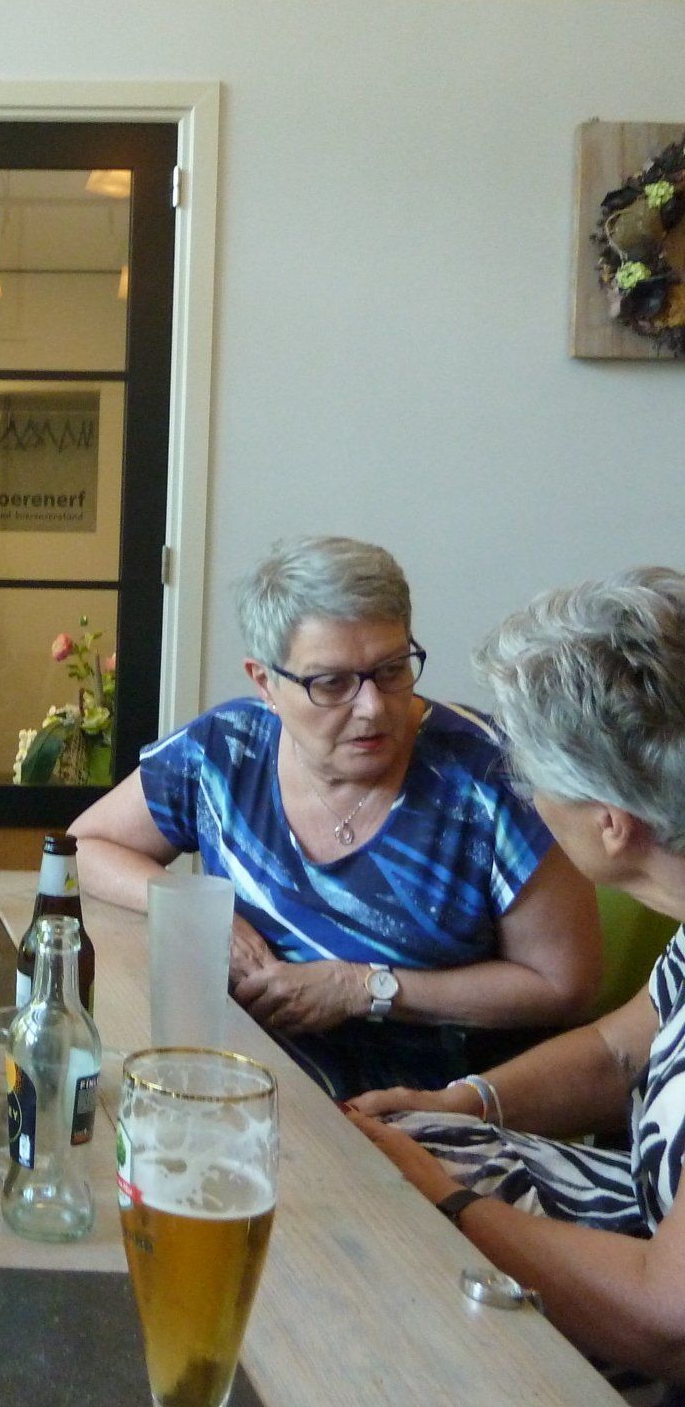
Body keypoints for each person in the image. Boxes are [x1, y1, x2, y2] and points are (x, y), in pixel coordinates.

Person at [69, 535, 599, 1097]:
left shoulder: (494, 776)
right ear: (265, 683)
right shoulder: (226, 751)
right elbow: (83, 847)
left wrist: (363, 988)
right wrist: (202, 914)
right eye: (332, 683)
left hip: (433, 1104)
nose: (372, 707)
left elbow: (565, 987)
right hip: (254, 1074)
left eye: (391, 670)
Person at [352, 568, 685, 1395]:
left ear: (612, 822)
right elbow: (617, 1053)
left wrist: (442, 1199)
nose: (528, 797)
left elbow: (666, 1321)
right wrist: (462, 1103)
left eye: (534, 776)